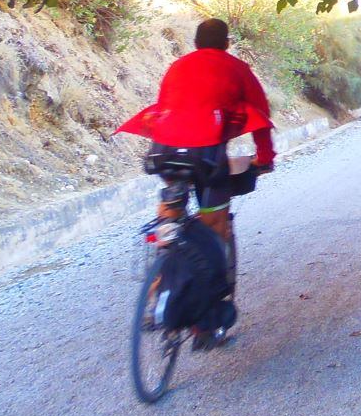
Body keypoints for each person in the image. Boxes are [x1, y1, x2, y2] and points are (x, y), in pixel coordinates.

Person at [116, 18, 276, 303]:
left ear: (195, 43)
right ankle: (208, 311)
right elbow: (260, 117)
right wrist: (264, 158)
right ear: (226, 44)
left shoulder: (177, 66)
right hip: (206, 155)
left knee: (170, 212)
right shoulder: (237, 68)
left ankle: (157, 288)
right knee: (214, 225)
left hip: (164, 151)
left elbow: (166, 109)